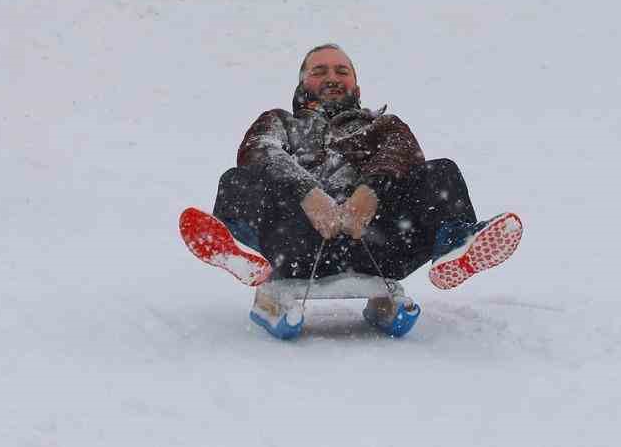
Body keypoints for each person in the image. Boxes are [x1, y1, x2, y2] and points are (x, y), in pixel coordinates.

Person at [178, 44, 523, 339]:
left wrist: (369, 192)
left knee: (440, 171)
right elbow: (260, 149)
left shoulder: (382, 125)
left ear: (355, 83)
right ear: (302, 82)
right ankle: (237, 249)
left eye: (342, 70)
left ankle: (455, 246)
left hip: (380, 242)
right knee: (239, 177)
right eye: (320, 70)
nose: (332, 77)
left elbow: (400, 151)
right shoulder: (280, 121)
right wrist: (308, 193)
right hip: (296, 245)